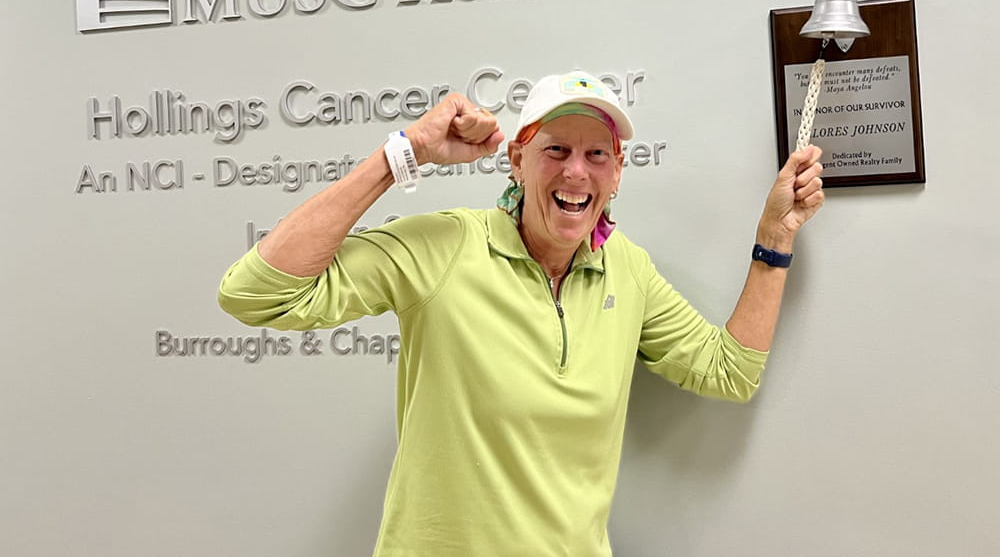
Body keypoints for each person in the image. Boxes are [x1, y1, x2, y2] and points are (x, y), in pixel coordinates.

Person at [217, 70, 824, 556]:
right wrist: (404, 153)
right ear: (517, 159)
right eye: (555, 149)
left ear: (615, 175)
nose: (576, 171)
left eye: (597, 154)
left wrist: (776, 235)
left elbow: (730, 370)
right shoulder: (446, 247)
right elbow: (256, 292)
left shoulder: (628, 271)